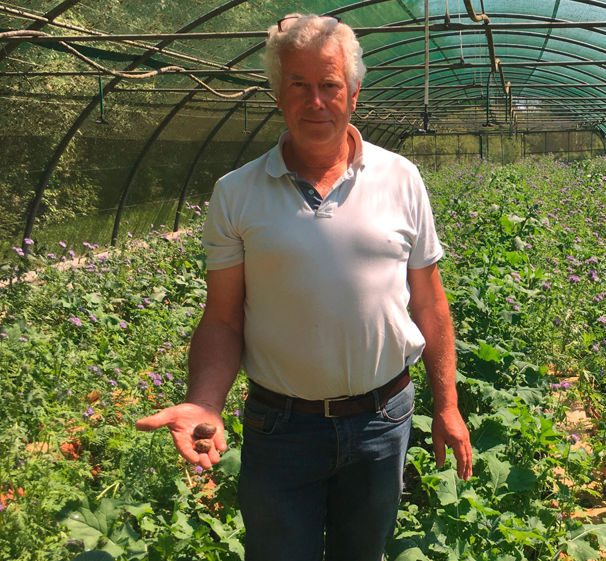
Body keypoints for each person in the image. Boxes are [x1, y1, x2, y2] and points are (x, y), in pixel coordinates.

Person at [136, 13, 472, 561]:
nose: (315, 101)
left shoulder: (402, 178)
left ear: (354, 94)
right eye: (299, 85)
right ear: (277, 94)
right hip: (280, 427)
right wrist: (204, 403)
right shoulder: (236, 193)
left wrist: (448, 405)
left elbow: (430, 303)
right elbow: (222, 318)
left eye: (329, 85)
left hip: (382, 421)